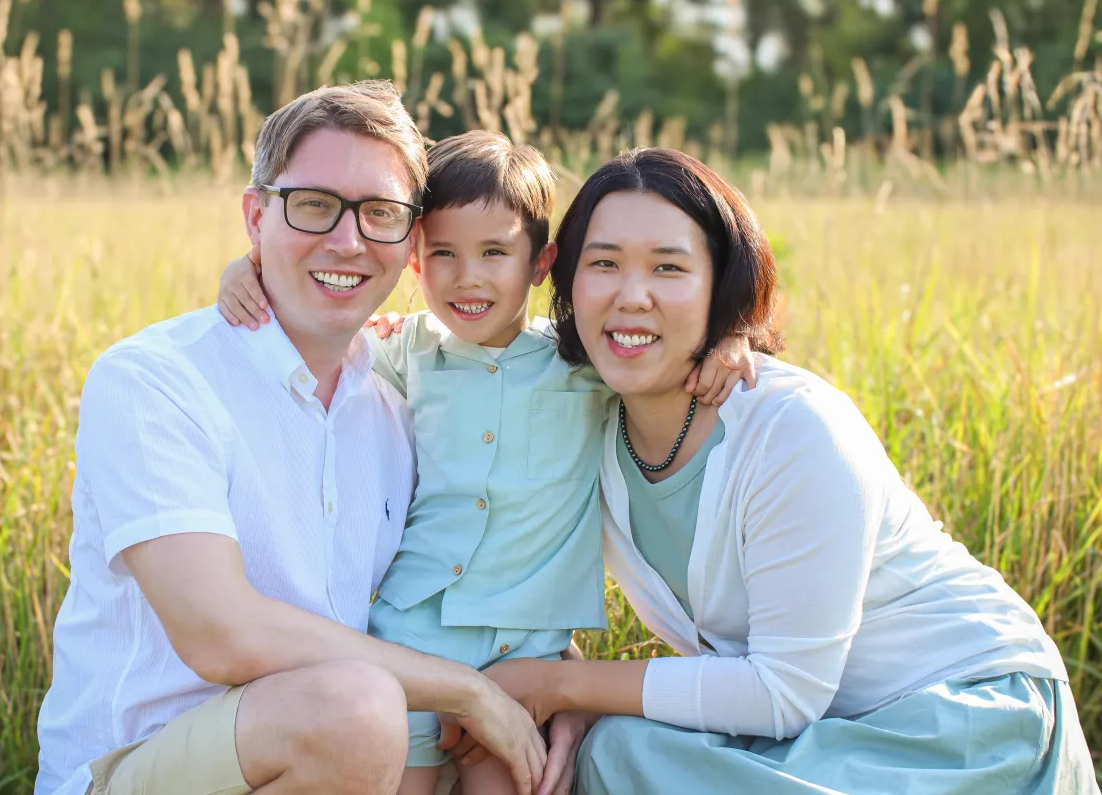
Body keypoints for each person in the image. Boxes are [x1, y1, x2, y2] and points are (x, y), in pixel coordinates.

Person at [454, 147, 1100, 794]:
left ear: (720, 285)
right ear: (562, 278)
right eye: (604, 264)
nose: (632, 295)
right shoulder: (574, 416)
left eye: (669, 268)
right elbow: (482, 338)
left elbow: (784, 692)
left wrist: (561, 686)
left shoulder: (793, 428)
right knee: (616, 753)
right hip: (814, 737)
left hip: (964, 719)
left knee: (623, 755)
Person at [35, 82, 552, 795]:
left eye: (380, 214)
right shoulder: (156, 379)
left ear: (410, 246)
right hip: (132, 769)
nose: (347, 240)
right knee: (360, 709)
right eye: (314, 205)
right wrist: (467, 691)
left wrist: (720, 349)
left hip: (333, 764)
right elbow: (220, 634)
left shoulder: (400, 401)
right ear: (256, 217)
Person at [215, 130, 757, 795]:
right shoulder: (403, 352)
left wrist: (731, 341)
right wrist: (249, 270)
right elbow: (302, 328)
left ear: (541, 261)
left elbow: (666, 350)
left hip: (528, 649)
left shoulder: (585, 366)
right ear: (414, 259)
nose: (467, 277)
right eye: (443, 253)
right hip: (415, 634)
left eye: (494, 253)